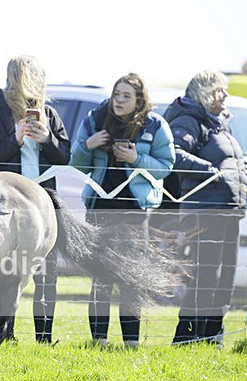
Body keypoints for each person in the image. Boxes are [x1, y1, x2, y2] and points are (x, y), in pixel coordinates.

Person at [69, 73, 175, 347]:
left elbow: (166, 166)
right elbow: (77, 164)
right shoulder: (94, 119)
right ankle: (98, 341)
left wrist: (136, 158)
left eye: (126, 96)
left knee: (131, 277)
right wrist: (87, 145)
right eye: (117, 94)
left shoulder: (155, 124)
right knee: (101, 277)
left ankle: (131, 343)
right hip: (99, 207)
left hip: (135, 210)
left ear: (139, 99)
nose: (119, 101)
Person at [0, 55, 70, 344]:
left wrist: (47, 140)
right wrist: (13, 140)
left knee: (47, 271)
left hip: (45, 202)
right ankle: (6, 334)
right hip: (10, 203)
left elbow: (64, 156)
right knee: (8, 270)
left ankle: (44, 337)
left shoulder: (49, 114)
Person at [164, 71, 247, 347]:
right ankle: (187, 337)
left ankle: (213, 337)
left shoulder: (220, 124)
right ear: (206, 93)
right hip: (205, 210)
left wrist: (242, 169)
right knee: (206, 275)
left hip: (228, 208)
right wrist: (211, 172)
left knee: (225, 276)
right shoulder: (189, 119)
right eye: (220, 90)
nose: (225, 96)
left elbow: (228, 159)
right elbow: (173, 153)